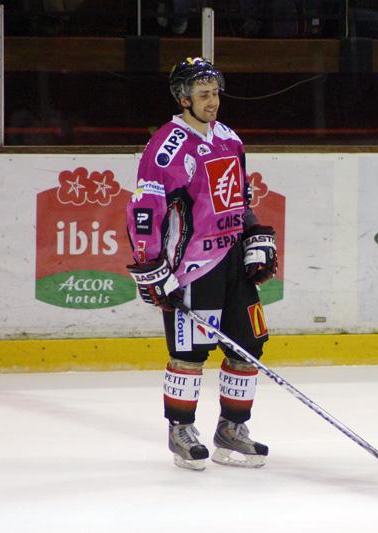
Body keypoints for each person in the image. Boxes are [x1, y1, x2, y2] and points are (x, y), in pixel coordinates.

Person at [125, 57, 278, 470]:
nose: (213, 101)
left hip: (232, 261)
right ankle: (181, 431)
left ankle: (232, 428)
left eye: (215, 93)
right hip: (193, 268)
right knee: (190, 352)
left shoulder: (228, 138)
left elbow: (239, 198)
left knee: (249, 345)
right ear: (183, 98)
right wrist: (150, 264)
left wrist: (254, 232)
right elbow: (145, 210)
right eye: (204, 95)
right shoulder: (166, 147)